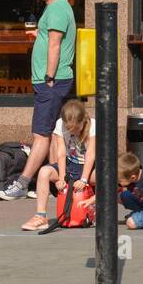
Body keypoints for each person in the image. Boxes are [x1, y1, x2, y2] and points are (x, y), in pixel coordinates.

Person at [0, 0, 76, 201]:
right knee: (53, 133)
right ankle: (52, 183)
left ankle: (21, 183)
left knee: (41, 134)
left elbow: (55, 44)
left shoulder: (57, 9)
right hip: (52, 80)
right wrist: (39, 35)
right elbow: (50, 38)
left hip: (52, 80)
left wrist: (49, 77)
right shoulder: (55, 8)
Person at [21, 98, 95, 231]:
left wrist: (84, 179)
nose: (72, 132)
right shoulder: (60, 123)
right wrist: (62, 177)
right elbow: (61, 153)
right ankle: (40, 216)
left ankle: (98, 210)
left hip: (89, 167)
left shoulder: (93, 125)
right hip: (70, 163)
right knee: (44, 172)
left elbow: (90, 155)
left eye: (76, 128)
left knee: (106, 178)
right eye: (69, 129)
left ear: (83, 120)